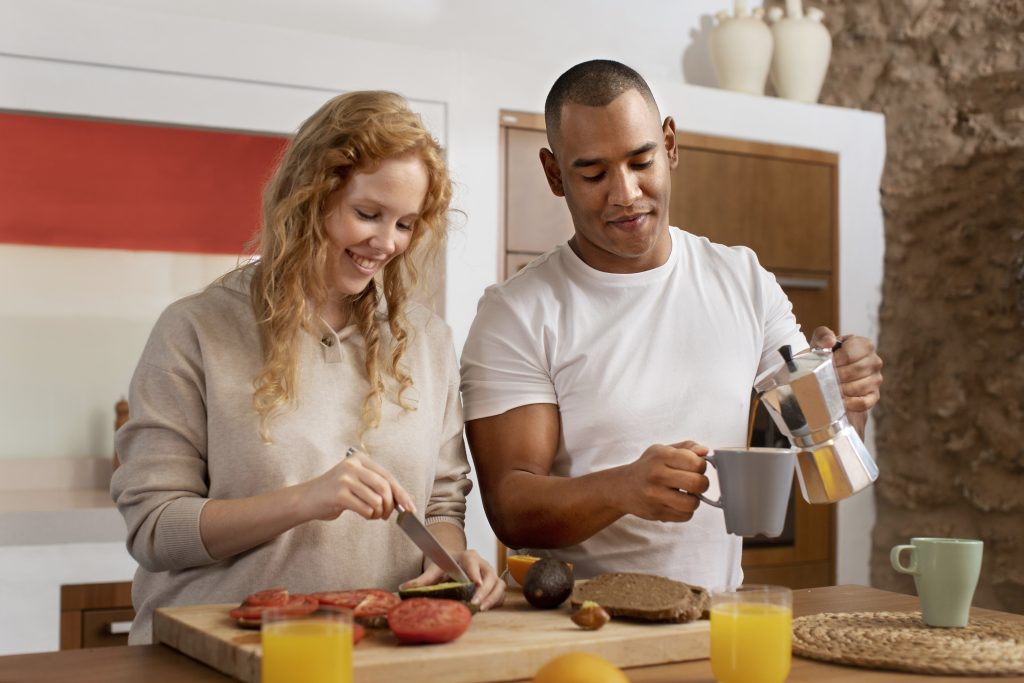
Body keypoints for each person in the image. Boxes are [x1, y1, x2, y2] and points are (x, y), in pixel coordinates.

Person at [460, 60, 883, 588]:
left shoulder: (743, 280)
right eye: (593, 174)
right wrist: (623, 489)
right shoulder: (518, 312)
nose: (626, 193)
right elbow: (510, 506)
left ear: (670, 145)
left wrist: (843, 397)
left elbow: (826, 468)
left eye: (641, 162)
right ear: (553, 174)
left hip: (715, 615)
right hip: (577, 625)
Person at [112, 91, 504, 644]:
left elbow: (441, 501)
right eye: (367, 214)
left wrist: (453, 554)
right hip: (218, 656)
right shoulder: (196, 330)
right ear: (308, 197)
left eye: (406, 224)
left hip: (372, 654)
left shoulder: (426, 342)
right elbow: (154, 530)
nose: (386, 243)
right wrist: (305, 500)